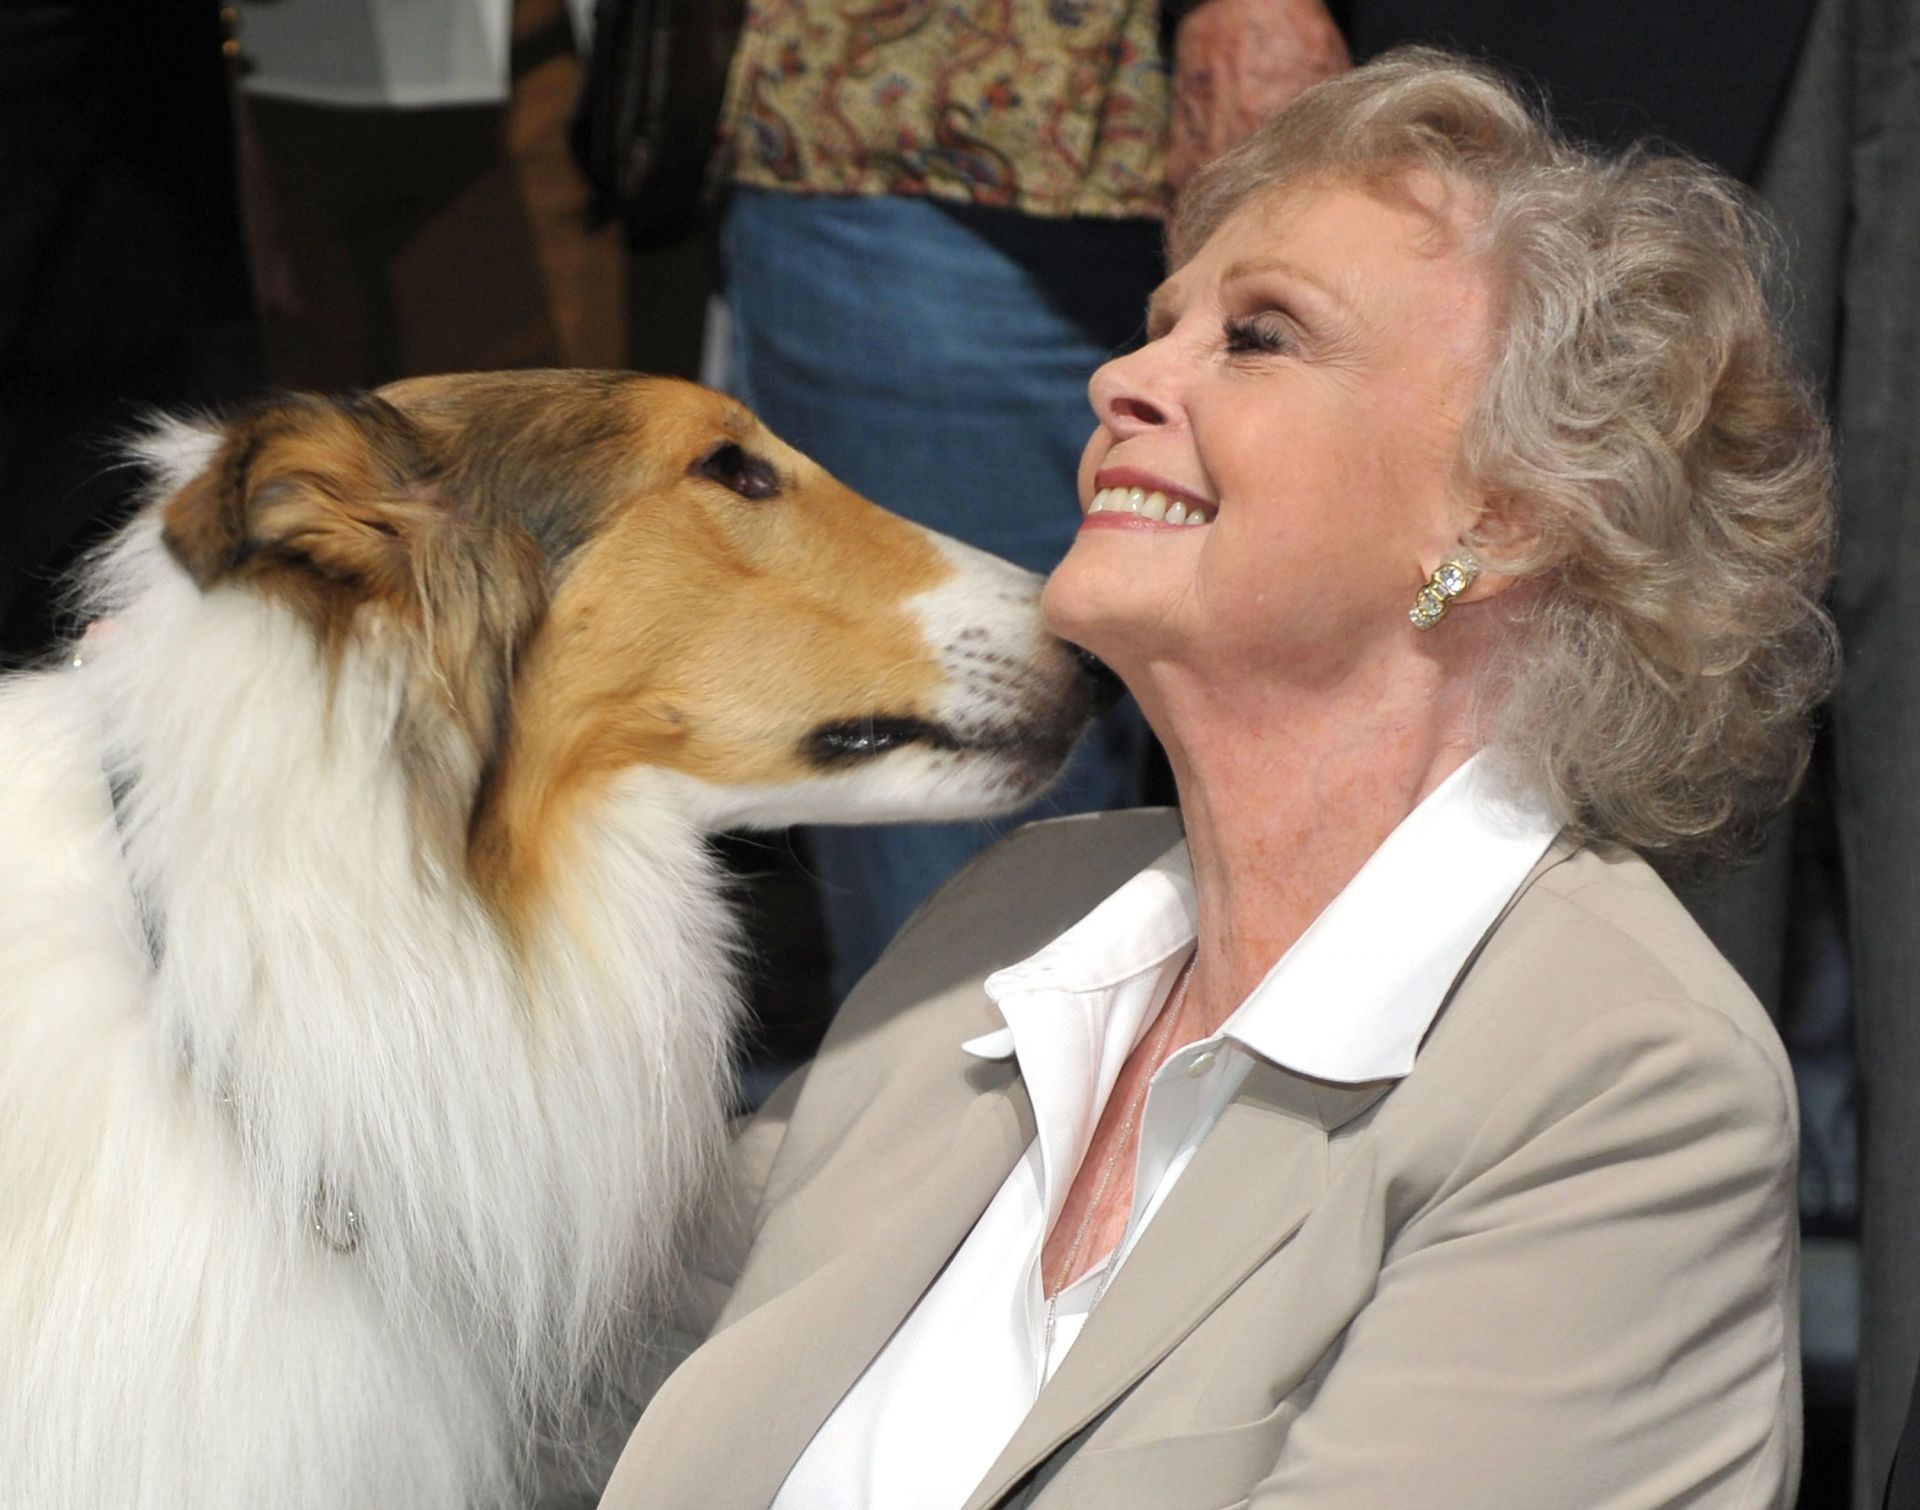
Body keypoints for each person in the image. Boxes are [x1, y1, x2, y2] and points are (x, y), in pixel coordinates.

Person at [601, 49, 1834, 1507]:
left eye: (1257, 337)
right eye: (1155, 325)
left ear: (1502, 515)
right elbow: (571, 1360)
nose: (1119, 377)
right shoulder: (1019, 927)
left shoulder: (1617, 1084)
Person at [718, 0, 1349, 1000]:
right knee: (956, 918)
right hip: (956, 128)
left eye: (1239, 342)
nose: (1125, 388)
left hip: (1430, 143)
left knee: (1363, 799)